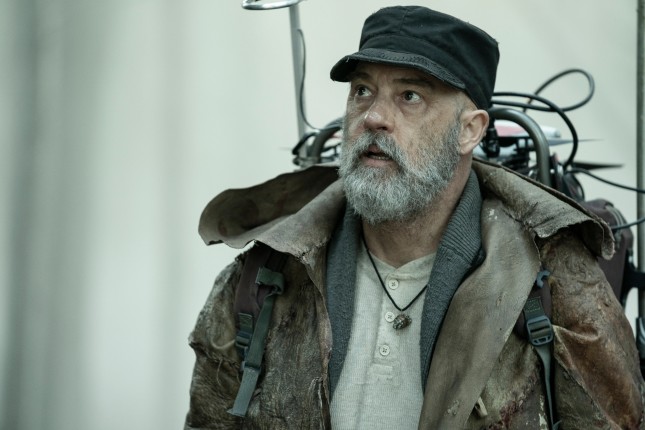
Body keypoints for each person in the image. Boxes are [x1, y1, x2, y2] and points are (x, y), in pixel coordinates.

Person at [184, 5, 645, 429]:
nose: (374, 117)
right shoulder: (268, 274)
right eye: (362, 91)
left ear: (469, 131)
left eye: (410, 96)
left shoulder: (553, 282)